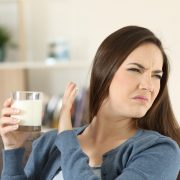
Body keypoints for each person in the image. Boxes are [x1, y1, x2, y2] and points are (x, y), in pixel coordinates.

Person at [0, 26, 180, 180]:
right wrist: (13, 150)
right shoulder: (49, 142)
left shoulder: (161, 151)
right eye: (135, 69)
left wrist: (66, 138)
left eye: (156, 75)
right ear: (104, 71)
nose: (148, 85)